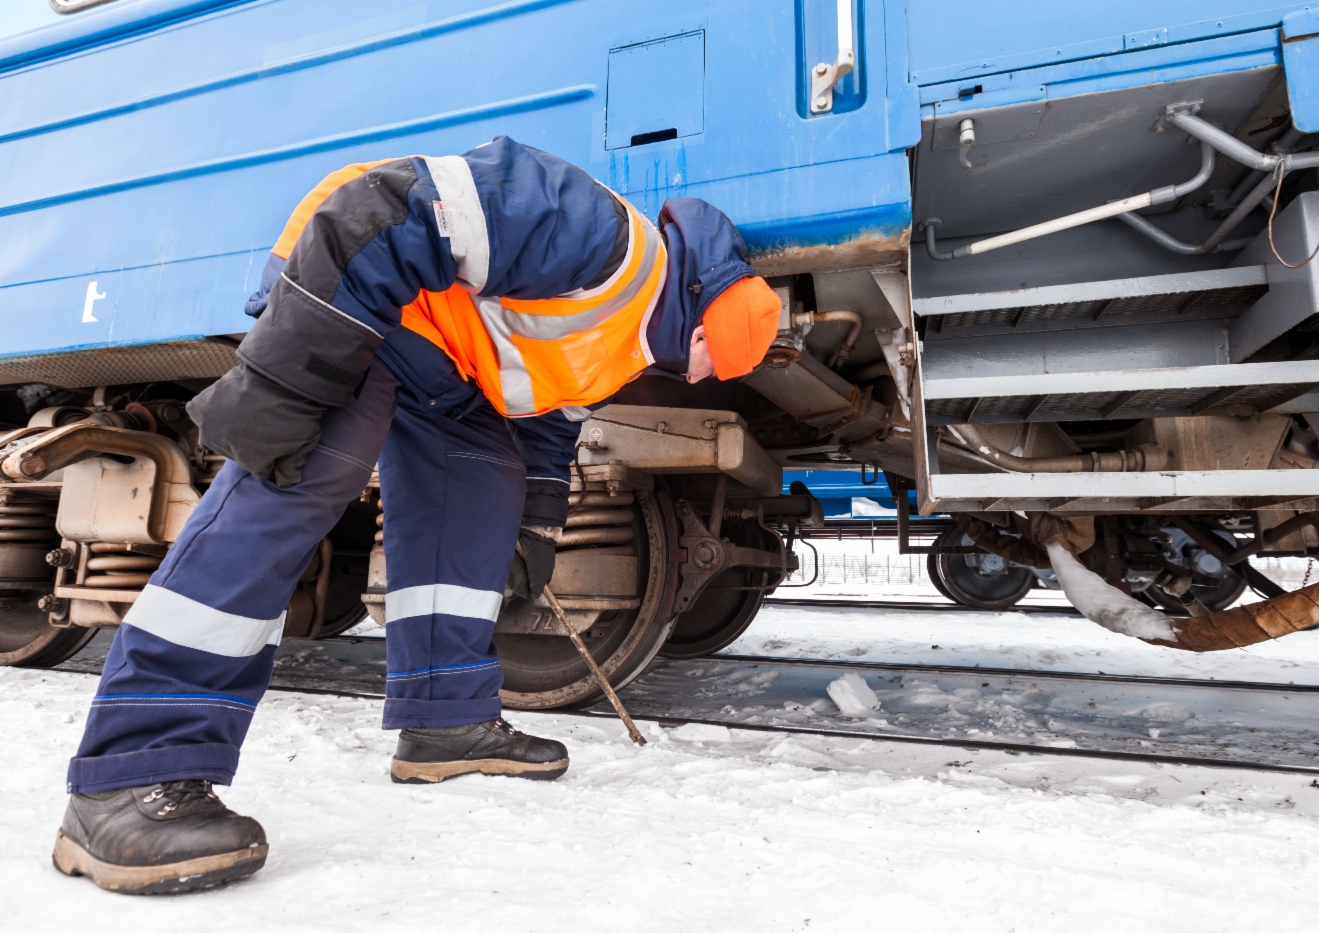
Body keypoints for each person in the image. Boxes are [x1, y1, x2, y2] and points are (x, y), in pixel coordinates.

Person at [52, 137, 782, 895]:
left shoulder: (625, 345)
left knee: (478, 485)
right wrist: (289, 377)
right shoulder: (603, 239)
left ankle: (445, 718)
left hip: (443, 361)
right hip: (354, 296)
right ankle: (131, 769)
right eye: (712, 364)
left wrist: (534, 524)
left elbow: (545, 423)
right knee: (300, 479)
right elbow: (382, 211)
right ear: (703, 326)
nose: (698, 378)